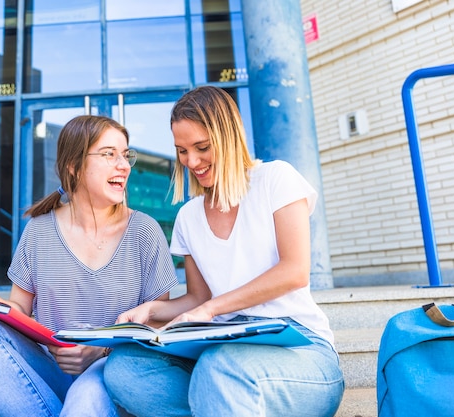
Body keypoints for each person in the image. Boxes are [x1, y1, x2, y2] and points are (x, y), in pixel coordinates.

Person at [104, 86, 345, 417]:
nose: (191, 161)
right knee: (124, 369)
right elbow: (198, 298)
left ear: (228, 135)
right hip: (224, 348)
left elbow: (294, 271)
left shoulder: (276, 179)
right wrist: (151, 311)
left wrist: (213, 309)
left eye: (202, 147)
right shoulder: (189, 216)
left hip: (299, 347)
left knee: (220, 368)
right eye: (182, 151)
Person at [0, 115, 179, 417]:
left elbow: (155, 325)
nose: (124, 165)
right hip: (53, 372)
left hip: (111, 373)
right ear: (74, 165)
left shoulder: (145, 231)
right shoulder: (39, 230)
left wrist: (101, 350)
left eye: (126, 155)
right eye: (109, 154)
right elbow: (19, 313)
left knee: (86, 396)